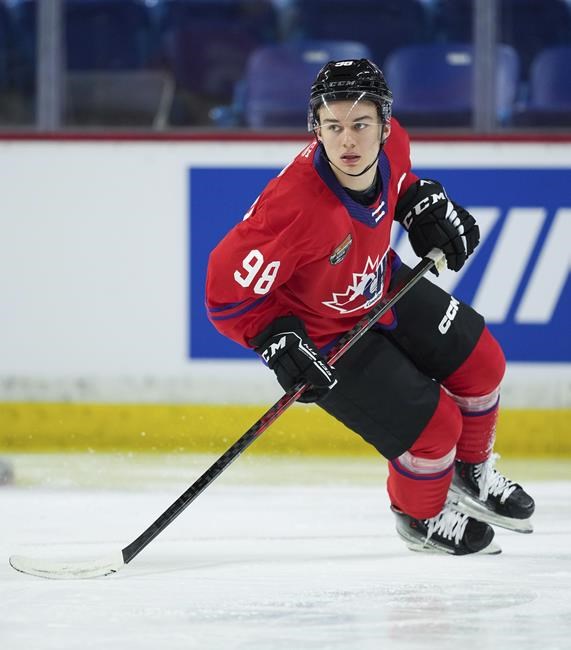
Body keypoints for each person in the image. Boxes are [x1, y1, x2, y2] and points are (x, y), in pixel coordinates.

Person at [205, 59, 535, 555]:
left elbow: (396, 182)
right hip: (325, 335)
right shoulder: (292, 208)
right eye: (333, 127)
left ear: (384, 124)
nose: (348, 142)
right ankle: (421, 517)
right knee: (436, 428)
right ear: (316, 129)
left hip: (377, 280)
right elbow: (225, 295)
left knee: (483, 362)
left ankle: (471, 473)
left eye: (361, 125)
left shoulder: (394, 143)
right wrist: (275, 340)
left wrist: (417, 202)